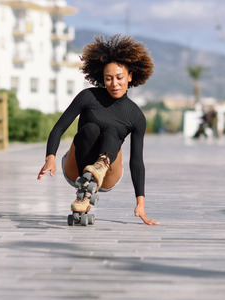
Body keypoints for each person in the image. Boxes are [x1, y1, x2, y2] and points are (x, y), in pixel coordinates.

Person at [37, 34, 159, 226]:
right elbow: (59, 127)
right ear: (101, 78)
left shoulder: (135, 115)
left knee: (111, 131)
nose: (114, 83)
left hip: (109, 173)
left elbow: (136, 161)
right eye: (108, 78)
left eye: (119, 78)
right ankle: (85, 188)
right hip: (76, 168)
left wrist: (140, 204)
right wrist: (50, 158)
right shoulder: (88, 97)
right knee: (91, 129)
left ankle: (100, 167)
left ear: (130, 76)